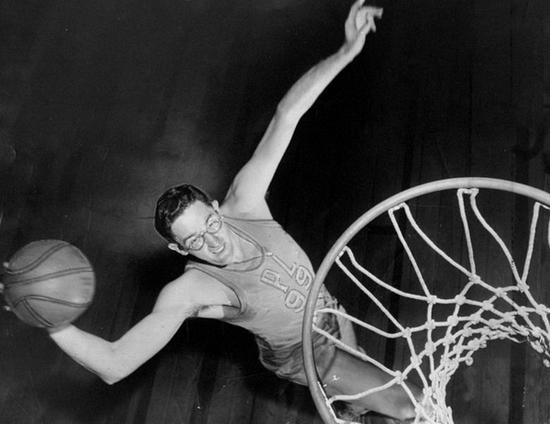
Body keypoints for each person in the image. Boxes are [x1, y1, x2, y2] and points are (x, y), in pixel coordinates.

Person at [3, 1, 420, 422]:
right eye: (196, 240)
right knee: (410, 406)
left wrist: (345, 52)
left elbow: (287, 114)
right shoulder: (192, 290)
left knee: (364, 388)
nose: (213, 239)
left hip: (328, 312)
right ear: (179, 249)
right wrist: (53, 322)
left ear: (218, 208)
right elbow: (115, 364)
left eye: (211, 223)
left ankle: (351, 406)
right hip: (305, 354)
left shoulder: (247, 204)